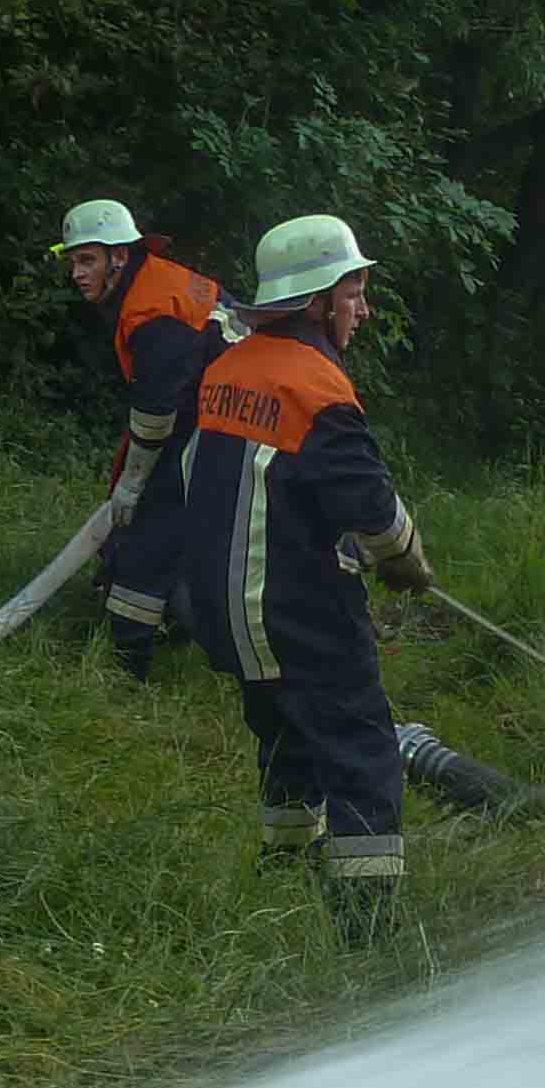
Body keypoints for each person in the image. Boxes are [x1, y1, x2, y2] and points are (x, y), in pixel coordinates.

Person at [175, 215, 432, 939]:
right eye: (356, 292)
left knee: (285, 738)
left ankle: (281, 880)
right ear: (318, 301)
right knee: (363, 751)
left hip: (225, 613)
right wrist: (407, 563)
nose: (365, 309)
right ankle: (364, 929)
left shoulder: (228, 368)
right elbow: (372, 511)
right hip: (295, 611)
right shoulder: (318, 389)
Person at [52, 195, 230, 680]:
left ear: (120, 256)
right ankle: (175, 619)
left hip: (222, 422)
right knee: (158, 516)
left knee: (149, 526)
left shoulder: (151, 309)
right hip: (214, 415)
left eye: (87, 259)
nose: (77, 274)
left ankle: (127, 664)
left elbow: (155, 411)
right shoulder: (154, 285)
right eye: (72, 262)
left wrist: (132, 484)